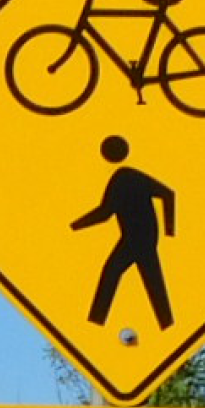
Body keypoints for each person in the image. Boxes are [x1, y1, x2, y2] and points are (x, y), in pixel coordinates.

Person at [71, 134, 176, 330]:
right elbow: (106, 212)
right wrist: (76, 225)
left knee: (113, 273)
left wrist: (170, 231)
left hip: (138, 239)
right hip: (139, 238)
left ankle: (96, 322)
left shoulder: (125, 178)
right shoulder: (124, 177)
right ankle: (167, 324)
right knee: (151, 281)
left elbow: (168, 194)